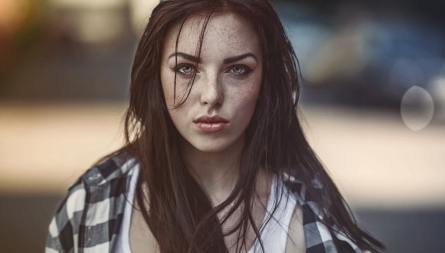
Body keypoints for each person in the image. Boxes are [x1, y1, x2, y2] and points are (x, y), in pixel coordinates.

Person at [46, 0, 384, 252]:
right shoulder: (91, 203)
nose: (211, 95)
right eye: (186, 69)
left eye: (237, 70)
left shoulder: (313, 230)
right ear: (155, 75)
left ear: (265, 79)